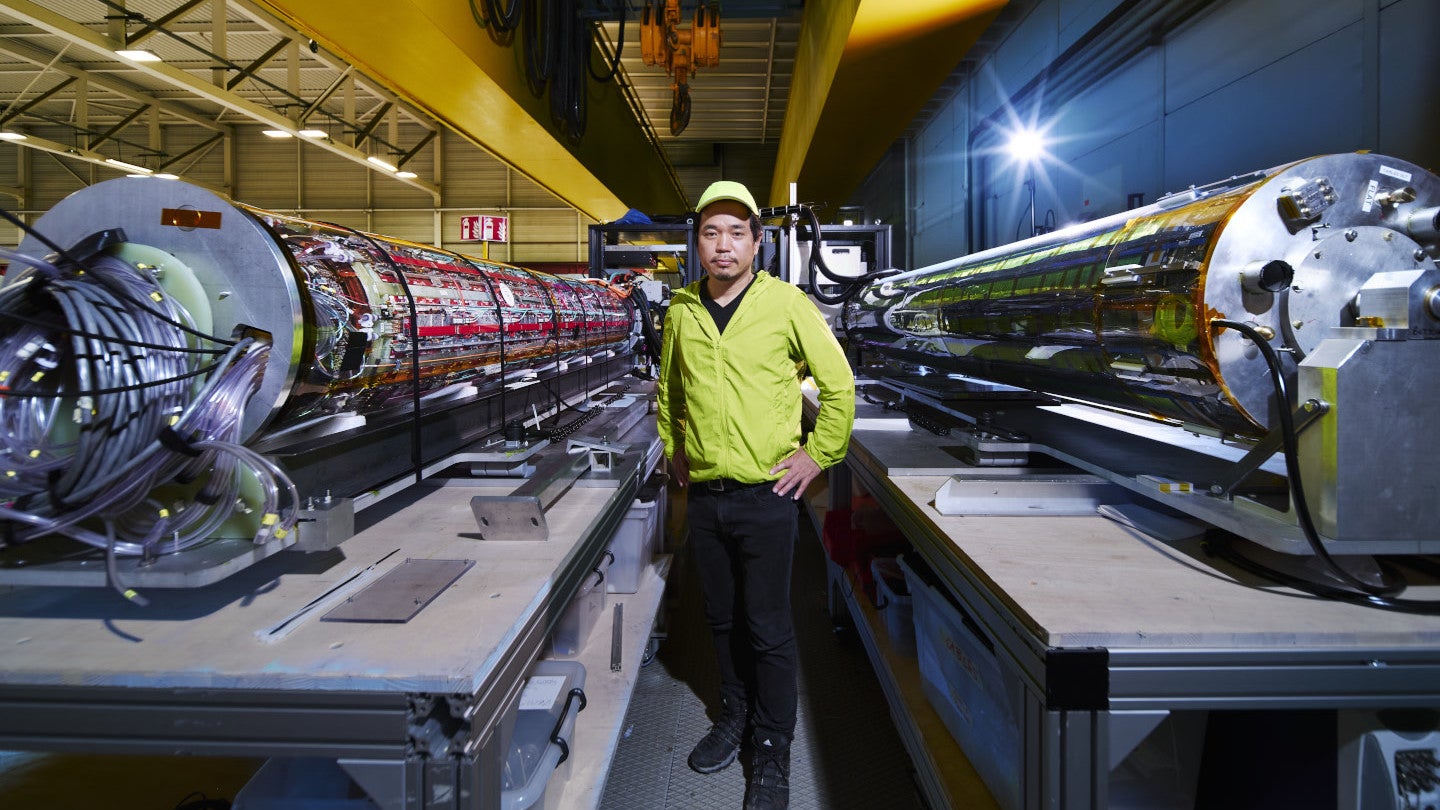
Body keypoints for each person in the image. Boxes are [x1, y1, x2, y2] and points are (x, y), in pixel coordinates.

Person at [655, 180, 856, 810]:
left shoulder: (786, 304)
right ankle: (734, 718)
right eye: (711, 233)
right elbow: (670, 391)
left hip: (767, 495)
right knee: (721, 620)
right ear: (697, 242)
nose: (722, 245)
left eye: (735, 233)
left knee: (767, 627)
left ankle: (771, 753)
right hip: (708, 499)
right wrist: (674, 447)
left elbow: (840, 383)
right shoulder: (682, 309)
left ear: (757, 242)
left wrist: (817, 455)